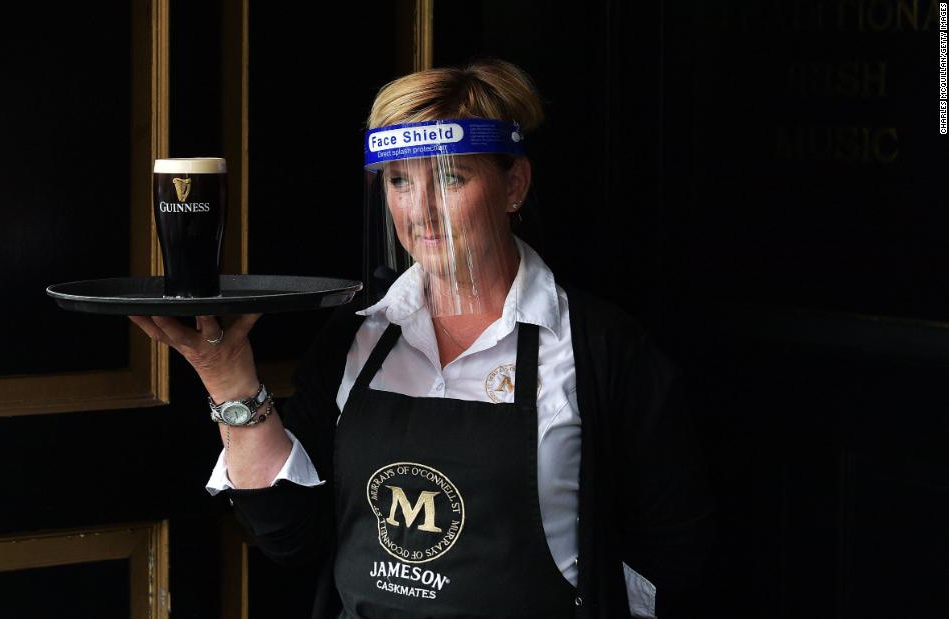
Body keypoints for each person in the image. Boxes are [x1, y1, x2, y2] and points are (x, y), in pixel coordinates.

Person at [129, 59, 714, 619]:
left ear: (515, 185)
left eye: (451, 178)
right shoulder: (354, 340)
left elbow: (671, 546)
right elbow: (290, 538)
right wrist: (229, 380)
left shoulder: (600, 350)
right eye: (400, 182)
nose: (422, 212)